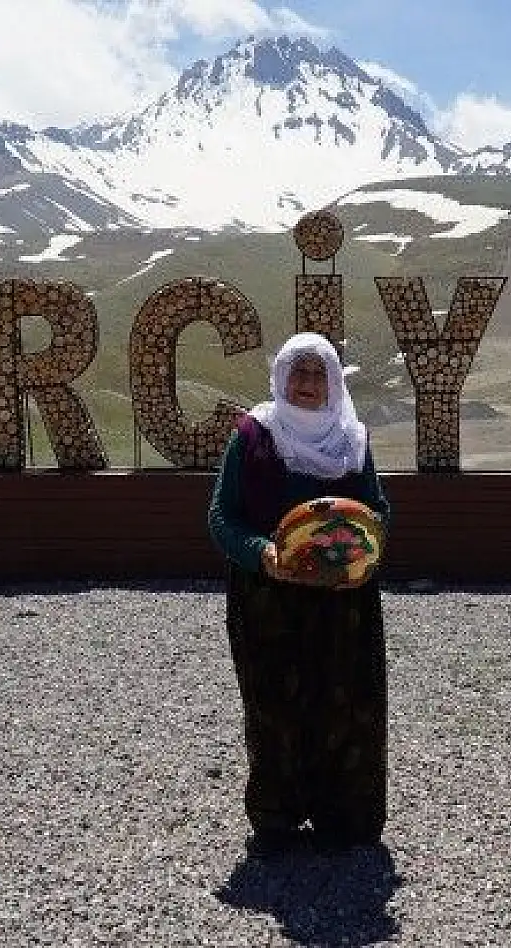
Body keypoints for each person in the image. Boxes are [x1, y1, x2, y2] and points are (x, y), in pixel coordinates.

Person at [208, 332, 392, 853]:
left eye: (319, 373)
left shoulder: (351, 440)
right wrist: (264, 552)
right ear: (282, 376)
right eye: (299, 371)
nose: (308, 383)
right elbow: (222, 517)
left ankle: (345, 819)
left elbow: (379, 512)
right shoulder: (253, 436)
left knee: (346, 703)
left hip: (344, 603)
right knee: (275, 703)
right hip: (269, 597)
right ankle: (278, 819)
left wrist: (360, 550)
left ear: (333, 380)